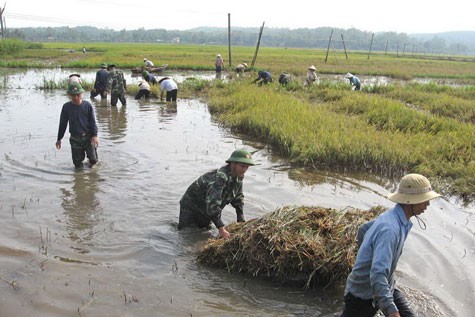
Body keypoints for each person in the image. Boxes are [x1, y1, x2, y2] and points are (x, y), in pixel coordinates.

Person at [340, 173, 442, 317]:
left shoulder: (398, 219)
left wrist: (367, 256)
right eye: (424, 200)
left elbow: (363, 229)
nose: (427, 204)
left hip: (385, 286)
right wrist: (392, 311)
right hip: (361, 297)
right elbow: (377, 274)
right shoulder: (390, 229)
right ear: (410, 202)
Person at [178, 149, 255, 239]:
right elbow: (213, 205)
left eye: (247, 167)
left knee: (205, 231)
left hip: (206, 209)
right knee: (187, 234)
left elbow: (238, 196)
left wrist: (240, 218)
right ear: (233, 164)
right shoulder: (220, 177)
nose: (244, 170)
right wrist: (221, 228)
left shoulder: (238, 175)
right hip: (191, 208)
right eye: (242, 166)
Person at [55, 83, 99, 168]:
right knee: (77, 164)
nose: (75, 97)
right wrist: (59, 139)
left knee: (93, 160)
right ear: (70, 95)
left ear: (81, 94)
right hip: (75, 138)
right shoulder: (66, 107)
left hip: (88, 137)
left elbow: (93, 122)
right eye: (73, 95)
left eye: (77, 95)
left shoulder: (87, 106)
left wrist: (95, 135)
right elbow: (63, 124)